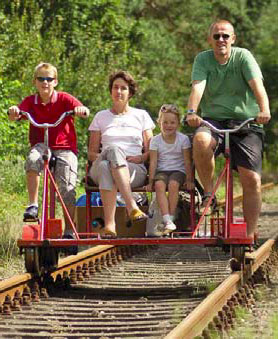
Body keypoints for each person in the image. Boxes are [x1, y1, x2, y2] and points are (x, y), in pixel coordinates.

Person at [185, 20, 271, 239]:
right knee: (201, 141)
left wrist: (264, 110)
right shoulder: (203, 59)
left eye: (225, 36)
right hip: (214, 120)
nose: (221, 40)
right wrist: (192, 112)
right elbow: (198, 87)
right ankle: (209, 193)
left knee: (252, 179)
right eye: (216, 36)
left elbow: (257, 86)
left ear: (233, 39)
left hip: (246, 122)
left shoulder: (243, 57)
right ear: (210, 40)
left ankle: (249, 235)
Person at [8, 62, 90, 236]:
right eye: (41, 79)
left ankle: (69, 228)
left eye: (49, 79)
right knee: (32, 159)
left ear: (55, 82)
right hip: (41, 145)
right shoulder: (31, 101)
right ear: (35, 82)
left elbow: (85, 111)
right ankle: (33, 205)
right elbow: (16, 113)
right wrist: (14, 111)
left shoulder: (64, 99)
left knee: (67, 186)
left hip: (64, 147)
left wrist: (80, 110)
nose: (45, 82)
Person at [88, 70, 155, 237]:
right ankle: (131, 206)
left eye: (123, 88)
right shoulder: (100, 116)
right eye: (115, 87)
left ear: (130, 92)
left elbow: (151, 150)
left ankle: (110, 224)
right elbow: (91, 153)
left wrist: (141, 157)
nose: (119, 92)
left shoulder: (141, 116)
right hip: (100, 165)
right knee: (111, 152)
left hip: (133, 170)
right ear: (110, 91)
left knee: (106, 167)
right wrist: (112, 154)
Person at [145, 104, 194, 234]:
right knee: (159, 185)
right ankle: (167, 219)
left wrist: (189, 179)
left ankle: (170, 217)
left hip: (178, 171)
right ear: (159, 123)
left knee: (173, 184)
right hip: (162, 171)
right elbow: (153, 162)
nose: (168, 125)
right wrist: (150, 182)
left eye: (172, 122)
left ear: (177, 124)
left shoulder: (183, 139)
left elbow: (187, 161)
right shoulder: (155, 140)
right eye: (165, 122)